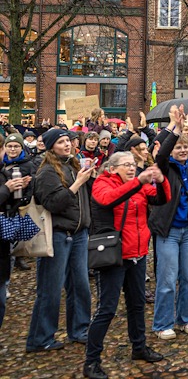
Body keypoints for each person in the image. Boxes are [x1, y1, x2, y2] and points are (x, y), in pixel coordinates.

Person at [83, 154, 170, 379]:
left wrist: (161, 181)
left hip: (137, 254)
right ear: (112, 169)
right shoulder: (103, 182)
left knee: (137, 304)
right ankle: (91, 361)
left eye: (133, 164)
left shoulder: (138, 185)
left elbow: (161, 199)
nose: (132, 168)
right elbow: (109, 199)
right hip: (114, 256)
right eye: (127, 165)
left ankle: (139, 347)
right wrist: (138, 181)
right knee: (106, 309)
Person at [26, 128, 96, 352]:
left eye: (69, 141)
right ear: (51, 147)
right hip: (58, 236)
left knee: (80, 286)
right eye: (61, 142)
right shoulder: (47, 172)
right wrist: (77, 185)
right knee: (51, 289)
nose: (67, 145)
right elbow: (54, 203)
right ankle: (41, 338)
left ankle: (79, 329)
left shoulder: (74, 165)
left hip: (78, 235)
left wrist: (89, 180)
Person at [149, 105, 188, 339]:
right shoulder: (165, 168)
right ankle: (162, 323)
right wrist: (175, 129)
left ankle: (186, 319)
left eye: (186, 147)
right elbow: (161, 155)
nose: (183, 150)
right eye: (179, 147)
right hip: (168, 231)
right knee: (166, 280)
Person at [0, 133, 34, 328]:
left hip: (10, 219)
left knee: (9, 253)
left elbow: (22, 197)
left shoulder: (26, 165)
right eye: (8, 146)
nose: (11, 149)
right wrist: (7, 188)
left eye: (15, 146)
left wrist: (23, 189)